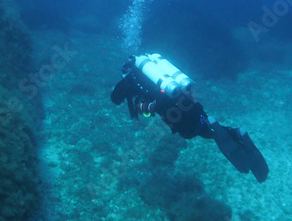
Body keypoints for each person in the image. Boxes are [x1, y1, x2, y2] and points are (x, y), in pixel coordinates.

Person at [110, 53, 269, 183]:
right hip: (188, 103)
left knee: (194, 132)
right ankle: (235, 132)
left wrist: (141, 106)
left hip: (173, 113)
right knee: (205, 125)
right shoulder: (156, 71)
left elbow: (116, 99)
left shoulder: (130, 81)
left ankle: (221, 133)